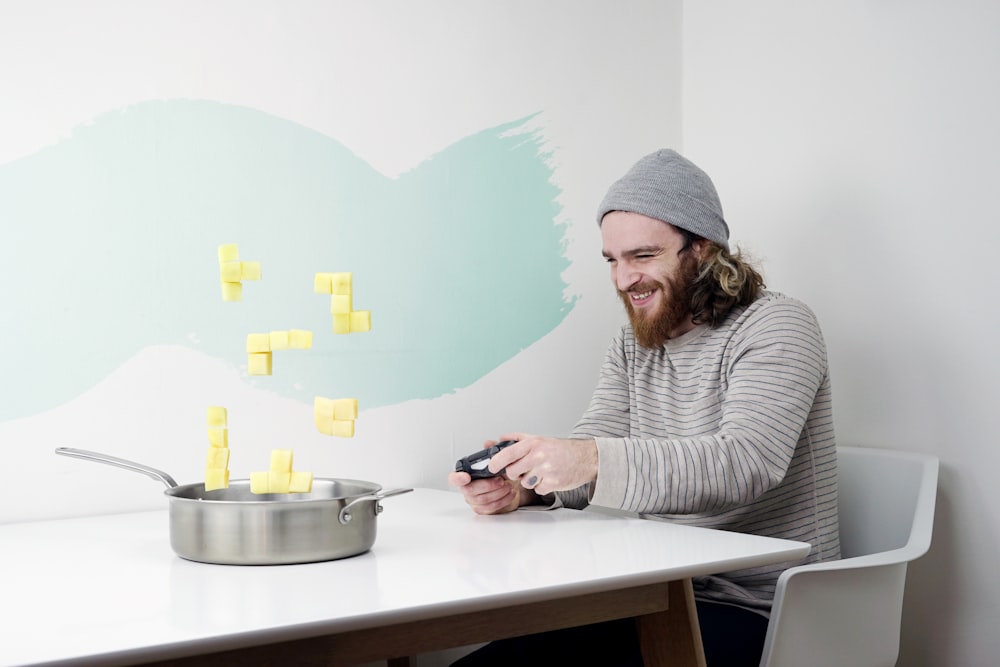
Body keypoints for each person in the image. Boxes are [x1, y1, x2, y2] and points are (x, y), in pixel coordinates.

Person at [447, 149, 841, 667]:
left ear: (701, 249)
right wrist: (528, 486)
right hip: (654, 591)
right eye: (612, 260)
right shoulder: (634, 345)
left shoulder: (778, 326)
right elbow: (594, 450)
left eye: (643, 256)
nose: (622, 278)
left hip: (763, 608)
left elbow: (746, 463)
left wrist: (585, 460)